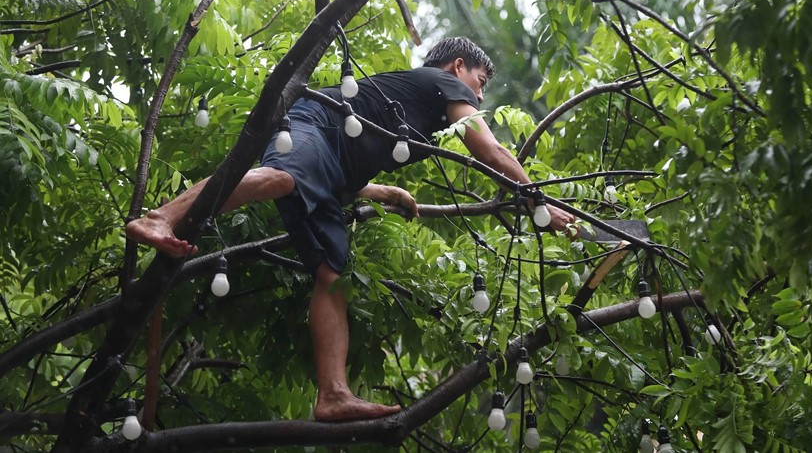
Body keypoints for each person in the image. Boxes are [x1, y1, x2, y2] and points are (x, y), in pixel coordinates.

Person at [126, 37, 576, 422]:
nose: (479, 97)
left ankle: (333, 393)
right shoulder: (443, 83)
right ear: (458, 68)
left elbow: (353, 148)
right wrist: (542, 203)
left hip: (333, 165)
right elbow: (491, 151)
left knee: (332, 274)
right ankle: (161, 217)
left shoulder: (414, 110)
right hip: (308, 125)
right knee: (282, 177)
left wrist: (380, 190)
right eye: (480, 82)